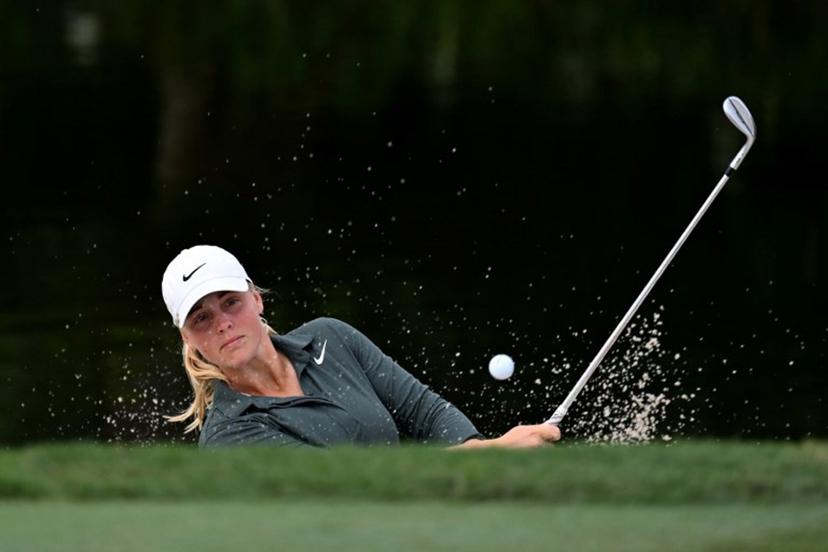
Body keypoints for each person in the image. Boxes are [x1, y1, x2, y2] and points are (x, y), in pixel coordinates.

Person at [161, 245, 561, 449]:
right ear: (189, 339)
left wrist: (479, 452)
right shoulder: (231, 437)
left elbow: (426, 410)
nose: (223, 323)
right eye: (201, 318)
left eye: (230, 302)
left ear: (257, 299)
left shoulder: (330, 338)